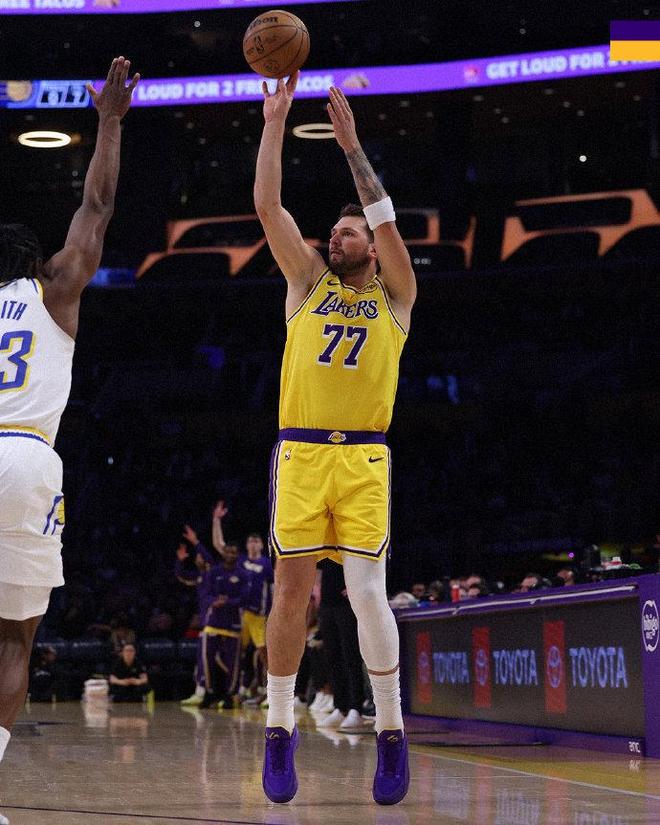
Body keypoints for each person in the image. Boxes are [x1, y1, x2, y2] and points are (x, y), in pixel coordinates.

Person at [254, 74, 416, 805]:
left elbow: (386, 221)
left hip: (365, 457)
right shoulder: (307, 282)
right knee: (292, 591)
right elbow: (268, 205)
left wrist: (352, 148)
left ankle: (391, 729)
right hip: (302, 451)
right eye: (334, 231)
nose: (335, 236)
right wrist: (275, 122)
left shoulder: (397, 296)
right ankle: (279, 725)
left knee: (367, 594)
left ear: (372, 247)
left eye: (349, 232)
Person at [0, 57, 139, 825]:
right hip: (27, 456)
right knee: (14, 639)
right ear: (34, 261)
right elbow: (98, 204)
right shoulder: (55, 289)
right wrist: (109, 121)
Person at [212, 502, 273, 704]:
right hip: (241, 613)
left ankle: (270, 691)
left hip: (259, 615)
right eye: (250, 541)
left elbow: (274, 589)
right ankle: (239, 688)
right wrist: (216, 520)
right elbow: (219, 545)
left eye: (256, 541)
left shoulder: (267, 564)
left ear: (261, 545)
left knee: (264, 654)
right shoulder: (241, 561)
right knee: (235, 652)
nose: (253, 544)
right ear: (247, 546)